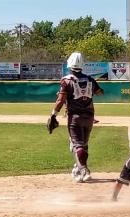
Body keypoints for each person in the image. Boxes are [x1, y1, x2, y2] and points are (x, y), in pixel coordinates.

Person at [47, 52, 104, 183]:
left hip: (75, 118)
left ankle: (84, 170)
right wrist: (90, 90)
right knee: (84, 145)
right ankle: (79, 169)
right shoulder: (90, 79)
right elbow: (100, 93)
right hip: (89, 118)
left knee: (76, 145)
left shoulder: (66, 80)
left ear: (69, 64)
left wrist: (53, 115)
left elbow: (60, 100)